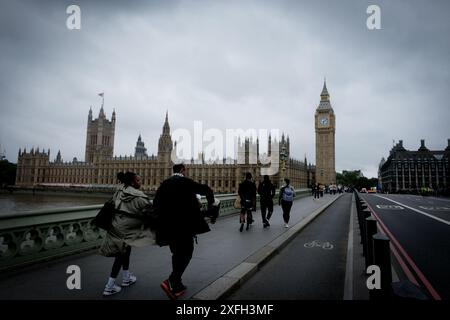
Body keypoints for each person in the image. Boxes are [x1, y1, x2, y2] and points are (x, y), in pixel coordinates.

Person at [153, 163, 215, 300]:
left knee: (176, 254)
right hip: (184, 226)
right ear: (182, 170)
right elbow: (208, 190)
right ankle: (171, 280)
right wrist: (211, 206)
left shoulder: (164, 184)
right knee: (187, 253)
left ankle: (177, 284)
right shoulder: (187, 182)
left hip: (167, 227)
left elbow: (156, 206)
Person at [99, 171, 154, 296]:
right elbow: (150, 212)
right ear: (133, 182)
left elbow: (111, 204)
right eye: (139, 180)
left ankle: (126, 278)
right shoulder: (140, 197)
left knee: (126, 250)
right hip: (128, 229)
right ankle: (109, 286)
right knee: (120, 255)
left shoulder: (119, 191)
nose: (141, 182)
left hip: (115, 225)